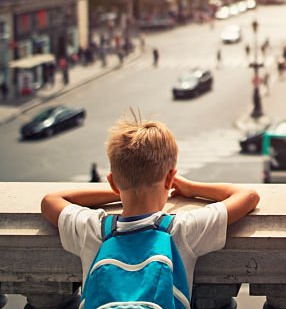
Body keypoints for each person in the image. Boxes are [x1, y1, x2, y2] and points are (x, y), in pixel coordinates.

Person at [41, 113, 260, 306]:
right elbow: (248, 197)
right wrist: (192, 188)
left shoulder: (93, 230)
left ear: (113, 183)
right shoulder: (182, 231)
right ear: (170, 179)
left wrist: (121, 188)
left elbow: (51, 200)